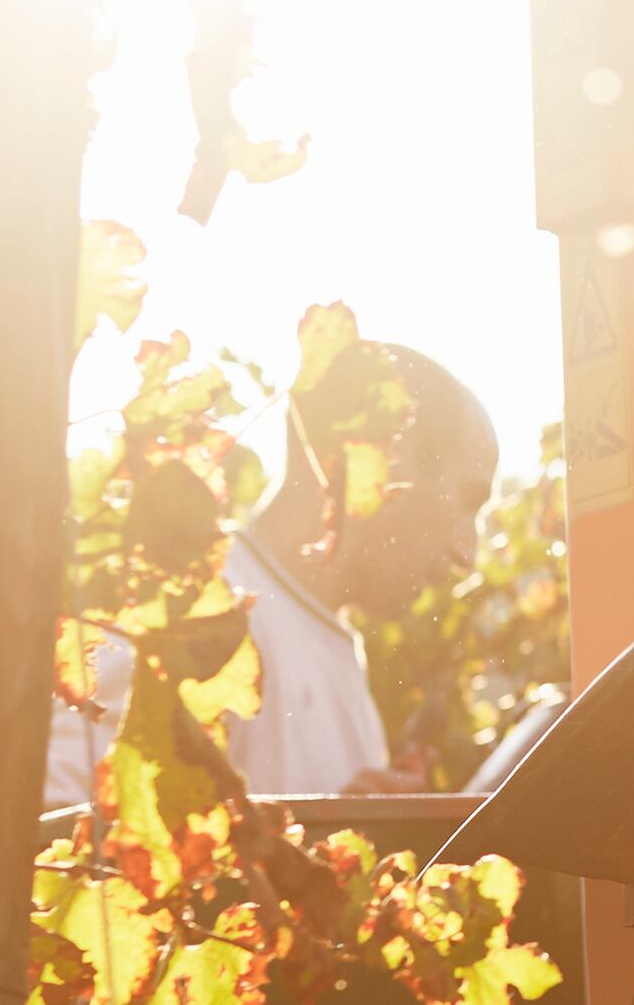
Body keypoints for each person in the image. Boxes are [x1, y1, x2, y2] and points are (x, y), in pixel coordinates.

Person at [49, 338, 502, 804]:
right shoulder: (186, 601)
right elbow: (66, 838)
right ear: (386, 453)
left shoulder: (346, 670)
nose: (467, 553)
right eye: (470, 500)